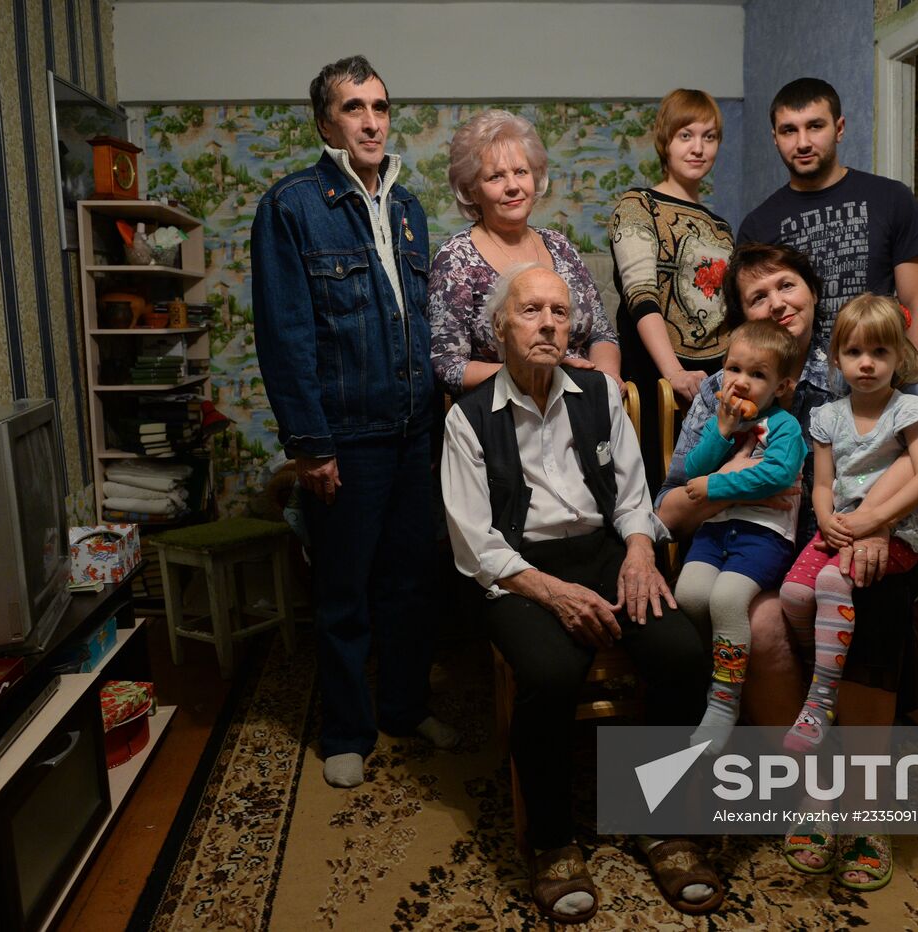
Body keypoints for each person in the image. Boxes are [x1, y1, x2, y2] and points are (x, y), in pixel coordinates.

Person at [654, 242, 918, 890]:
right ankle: (814, 794)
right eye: (757, 296)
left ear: (810, 292)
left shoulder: (854, 357)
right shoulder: (727, 385)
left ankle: (865, 807)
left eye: (786, 285)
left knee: (869, 588)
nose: (777, 303)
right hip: (756, 553)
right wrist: (727, 473)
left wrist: (875, 518)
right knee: (760, 623)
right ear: (741, 316)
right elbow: (670, 505)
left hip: (844, 543)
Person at [441, 264, 721, 923]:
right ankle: (552, 841)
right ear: (499, 326)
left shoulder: (599, 393)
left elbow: (631, 496)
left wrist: (640, 552)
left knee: (682, 653)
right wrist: (555, 594)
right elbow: (475, 543)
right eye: (531, 310)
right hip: (520, 569)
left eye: (560, 312)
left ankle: (660, 822)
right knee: (549, 672)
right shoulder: (469, 419)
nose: (547, 324)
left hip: (604, 551)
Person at [251, 56, 456, 791]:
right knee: (344, 595)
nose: (371, 121)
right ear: (325, 122)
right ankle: (345, 730)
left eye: (380, 106)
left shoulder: (409, 209)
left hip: (413, 433)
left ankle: (404, 707)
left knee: (412, 583)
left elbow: (419, 323)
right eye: (353, 108)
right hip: (344, 438)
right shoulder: (290, 206)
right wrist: (310, 446)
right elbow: (285, 336)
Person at [780, 295, 918, 753]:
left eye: (880, 352)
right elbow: (822, 483)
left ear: (900, 356)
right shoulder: (828, 416)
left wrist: (878, 519)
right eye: (854, 352)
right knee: (793, 595)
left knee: (832, 581)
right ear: (836, 358)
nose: (867, 363)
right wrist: (825, 517)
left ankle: (820, 700)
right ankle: (823, 668)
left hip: (896, 531)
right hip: (838, 526)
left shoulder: (908, 411)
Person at [737, 77, 918, 375]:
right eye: (789, 130)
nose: (803, 143)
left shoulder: (891, 198)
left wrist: (915, 387)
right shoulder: (758, 224)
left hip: (875, 378)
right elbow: (756, 329)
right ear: (775, 138)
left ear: (839, 128)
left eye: (815, 126)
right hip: (796, 386)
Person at [673, 320, 807, 752]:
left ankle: (724, 700)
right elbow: (693, 471)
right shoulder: (723, 421)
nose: (741, 382)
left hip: (764, 535)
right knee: (690, 595)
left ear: (781, 386)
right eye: (734, 369)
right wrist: (722, 432)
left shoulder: (785, 427)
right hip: (715, 530)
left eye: (757, 374)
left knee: (727, 599)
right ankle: (720, 671)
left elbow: (777, 474)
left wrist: (717, 486)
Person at [429, 109, 620, 396]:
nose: (513, 187)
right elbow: (447, 366)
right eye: (495, 177)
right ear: (471, 190)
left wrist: (604, 385)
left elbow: (602, 334)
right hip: (502, 409)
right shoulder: (455, 259)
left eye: (521, 172)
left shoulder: (560, 245)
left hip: (580, 400)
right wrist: (544, 373)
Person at [610, 88, 735, 491]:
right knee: (653, 485)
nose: (698, 148)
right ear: (665, 140)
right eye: (686, 135)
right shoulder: (638, 204)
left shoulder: (722, 228)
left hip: (715, 381)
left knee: (712, 489)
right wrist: (674, 374)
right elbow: (640, 294)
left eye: (709, 137)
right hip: (656, 378)